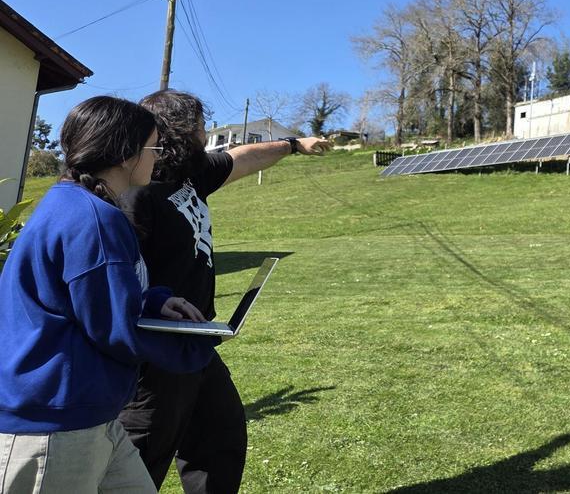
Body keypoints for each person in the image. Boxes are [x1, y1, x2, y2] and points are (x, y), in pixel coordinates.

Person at [0, 96, 217, 493]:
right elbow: (115, 330)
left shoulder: (73, 203)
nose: (158, 157)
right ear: (124, 154)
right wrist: (199, 342)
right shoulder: (95, 220)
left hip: (91, 415)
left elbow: (89, 299)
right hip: (56, 425)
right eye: (154, 147)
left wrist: (154, 301)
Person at [119, 89, 330, 493]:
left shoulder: (190, 174)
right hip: (156, 352)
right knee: (140, 459)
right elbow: (119, 272)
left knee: (221, 438)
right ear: (181, 130)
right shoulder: (138, 191)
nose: (205, 132)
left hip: (197, 344)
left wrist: (293, 145)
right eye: (199, 124)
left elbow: (242, 157)